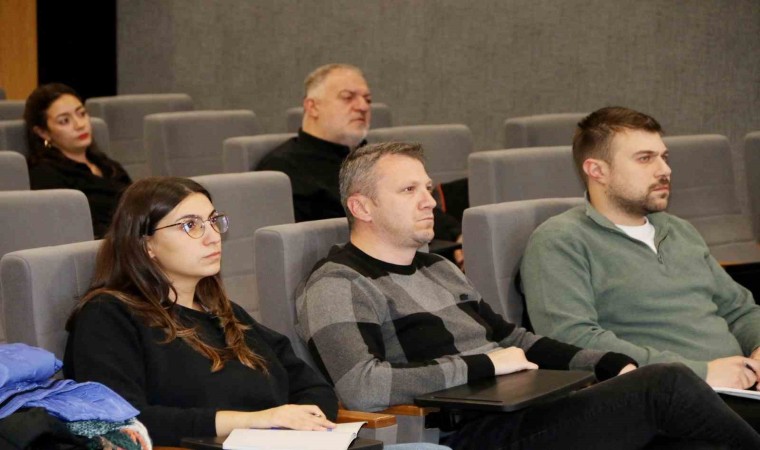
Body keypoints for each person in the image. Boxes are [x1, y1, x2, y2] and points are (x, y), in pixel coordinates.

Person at [295, 141, 760, 450]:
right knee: (667, 385)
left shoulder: (437, 266)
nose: (431, 201)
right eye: (408, 190)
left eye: (427, 187)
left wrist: (607, 363)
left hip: (526, 408)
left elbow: (514, 340)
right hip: (469, 433)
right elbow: (362, 386)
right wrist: (485, 365)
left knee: (688, 431)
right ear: (362, 206)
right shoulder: (337, 284)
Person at [63, 176, 449, 450]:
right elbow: (122, 422)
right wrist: (256, 420)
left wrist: (300, 423)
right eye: (190, 226)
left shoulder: (224, 313)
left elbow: (312, 387)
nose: (213, 235)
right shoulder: (108, 316)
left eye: (213, 221)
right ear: (146, 244)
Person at [520, 106, 760, 426]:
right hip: (662, 403)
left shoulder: (678, 230)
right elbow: (571, 340)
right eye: (645, 158)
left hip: (737, 390)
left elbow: (739, 309)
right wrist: (700, 373)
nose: (665, 170)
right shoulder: (560, 240)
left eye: (664, 156)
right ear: (597, 170)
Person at [257, 63, 462, 245]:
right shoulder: (283, 168)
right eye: (348, 97)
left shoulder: (376, 159)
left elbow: (416, 206)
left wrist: (457, 238)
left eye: (367, 99)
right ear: (313, 107)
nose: (363, 107)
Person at [24, 83, 132, 238]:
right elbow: (71, 230)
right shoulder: (44, 175)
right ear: (43, 133)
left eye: (81, 114)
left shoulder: (107, 164)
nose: (80, 125)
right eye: (64, 121)